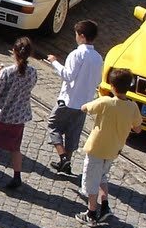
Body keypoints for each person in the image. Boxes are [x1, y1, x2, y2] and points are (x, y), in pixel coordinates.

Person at [80, 68, 143, 226]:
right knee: (102, 177)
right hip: (114, 150)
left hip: (97, 148)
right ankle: (105, 205)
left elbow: (85, 108)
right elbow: (138, 128)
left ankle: (92, 213)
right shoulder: (132, 107)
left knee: (91, 181)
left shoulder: (106, 102)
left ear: (112, 86)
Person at [45, 21, 105, 176]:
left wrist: (54, 62)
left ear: (82, 36)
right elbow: (98, 81)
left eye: (77, 35)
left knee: (53, 126)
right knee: (73, 134)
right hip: (84, 104)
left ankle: (63, 157)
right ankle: (66, 164)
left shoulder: (76, 54)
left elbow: (67, 75)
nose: (76, 37)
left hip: (68, 100)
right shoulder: (98, 58)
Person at [0, 38, 39, 192]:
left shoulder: (7, 72)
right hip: (19, 116)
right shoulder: (33, 72)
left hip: (2, 113)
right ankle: (17, 176)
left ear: (14, 51)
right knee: (15, 147)